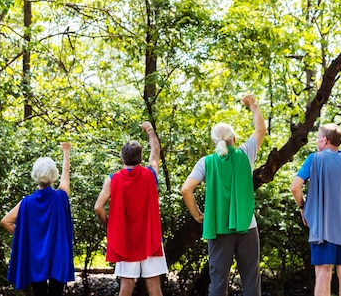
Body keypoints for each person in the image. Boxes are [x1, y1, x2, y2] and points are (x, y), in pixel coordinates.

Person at [181, 94, 266, 296]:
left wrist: (197, 215)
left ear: (213, 142)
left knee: (218, 284)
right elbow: (261, 130)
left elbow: (186, 189)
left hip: (219, 228)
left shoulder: (206, 162)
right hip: (247, 226)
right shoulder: (245, 154)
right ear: (234, 139)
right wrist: (253, 105)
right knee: (252, 283)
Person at [290, 102, 341, 296]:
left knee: (323, 272)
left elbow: (295, 186)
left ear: (324, 140)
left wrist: (303, 208)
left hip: (322, 227)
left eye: (318, 138)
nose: (317, 141)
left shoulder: (314, 159)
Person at [94, 122, 167, 296]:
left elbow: (98, 207)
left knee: (126, 286)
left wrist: (109, 224)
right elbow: (155, 151)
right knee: (154, 286)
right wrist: (150, 130)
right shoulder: (151, 174)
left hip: (124, 239)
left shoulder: (113, 179)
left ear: (122, 158)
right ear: (141, 158)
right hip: (150, 237)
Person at [1, 142, 74, 296]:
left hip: (35, 256)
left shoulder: (26, 203)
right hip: (57, 256)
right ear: (53, 174)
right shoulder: (60, 197)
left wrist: (24, 235)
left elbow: (5, 221)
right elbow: (66, 178)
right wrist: (66, 153)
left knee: (38, 292)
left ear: (35, 175)